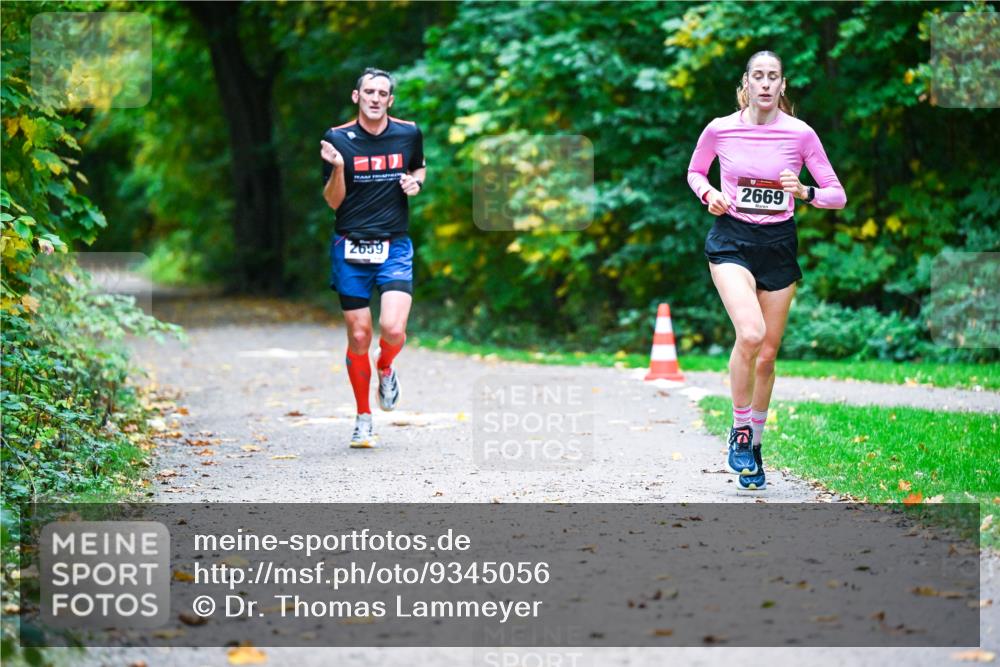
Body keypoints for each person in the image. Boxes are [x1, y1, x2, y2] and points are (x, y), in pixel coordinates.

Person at [686, 50, 846, 491]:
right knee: (751, 335)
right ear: (747, 82)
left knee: (769, 355)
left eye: (772, 76)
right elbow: (695, 172)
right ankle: (738, 430)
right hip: (732, 239)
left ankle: (754, 446)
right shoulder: (721, 129)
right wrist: (709, 195)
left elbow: (837, 195)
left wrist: (806, 191)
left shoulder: (800, 135)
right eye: (758, 75)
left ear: (782, 85)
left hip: (778, 246)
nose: (765, 84)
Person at [320, 67, 426, 448]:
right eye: (369, 92)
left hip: (394, 245)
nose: (376, 98)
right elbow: (333, 201)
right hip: (350, 247)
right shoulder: (338, 139)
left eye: (383, 93)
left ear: (390, 100)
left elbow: (418, 166)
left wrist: (416, 182)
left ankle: (386, 367)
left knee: (393, 330)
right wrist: (337, 167)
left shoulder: (408, 132)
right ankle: (363, 417)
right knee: (360, 334)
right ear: (357, 96)